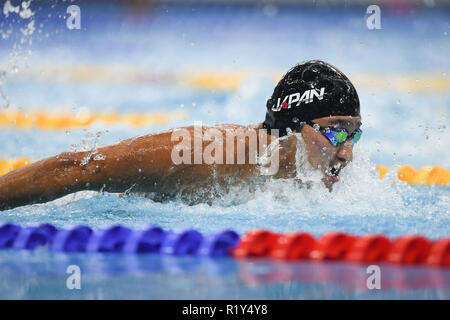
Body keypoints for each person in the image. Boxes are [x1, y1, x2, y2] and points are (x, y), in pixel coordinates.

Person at [0, 60, 362, 210]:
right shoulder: (208, 155)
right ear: (294, 127)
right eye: (334, 132)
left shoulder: (314, 178)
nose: (346, 154)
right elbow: (77, 167)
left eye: (353, 135)